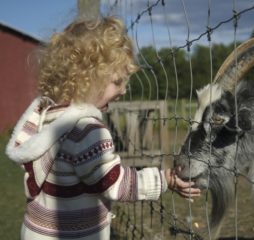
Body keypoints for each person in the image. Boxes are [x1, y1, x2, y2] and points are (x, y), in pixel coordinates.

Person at [6, 16, 201, 240]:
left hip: (37, 230)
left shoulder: (46, 115)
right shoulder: (86, 130)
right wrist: (164, 179)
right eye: (117, 82)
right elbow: (113, 182)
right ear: (85, 78)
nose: (124, 91)